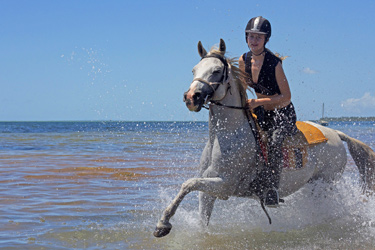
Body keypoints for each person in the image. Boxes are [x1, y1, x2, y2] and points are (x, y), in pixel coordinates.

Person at [239, 16, 298, 207]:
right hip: (262, 113)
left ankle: (272, 189)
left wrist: (258, 101)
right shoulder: (243, 60)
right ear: (246, 37)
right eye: (251, 36)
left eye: (259, 37)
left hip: (283, 114)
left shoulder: (275, 63)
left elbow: (286, 97)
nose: (254, 41)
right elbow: (242, 88)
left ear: (266, 39)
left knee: (274, 141)